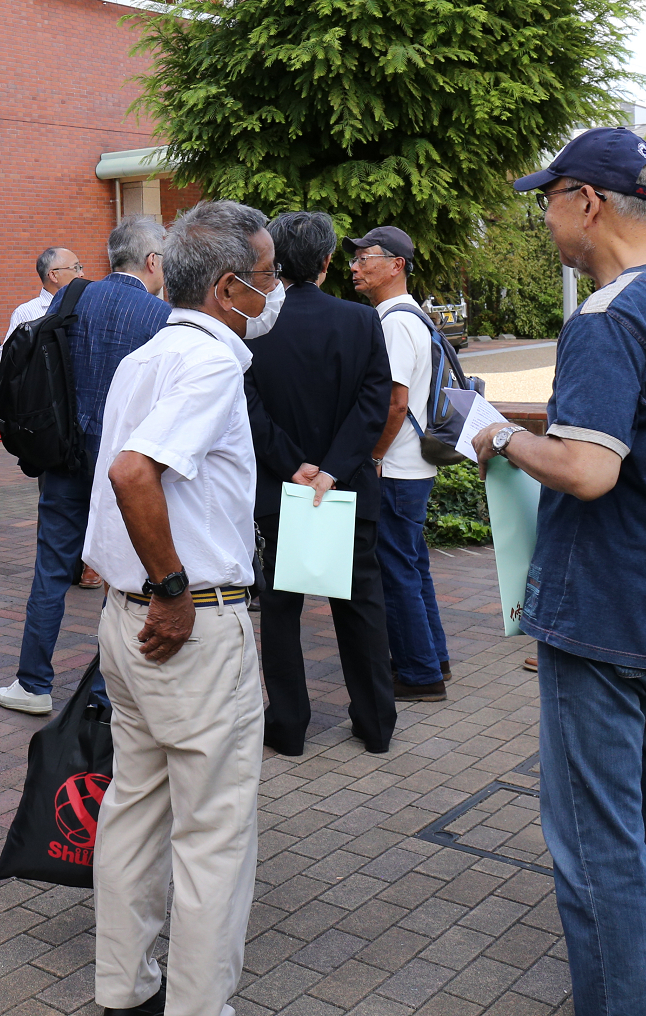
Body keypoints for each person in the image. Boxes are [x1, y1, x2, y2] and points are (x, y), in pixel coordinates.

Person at [475, 127, 646, 1016]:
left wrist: (502, 436)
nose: (546, 220)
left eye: (549, 201)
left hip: (607, 619)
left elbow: (587, 469)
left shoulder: (609, 316)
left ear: (587, 203)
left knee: (600, 845)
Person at [83, 201, 271, 1016]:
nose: (273, 291)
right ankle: (198, 1005)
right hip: (187, 624)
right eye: (266, 277)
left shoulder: (146, 357)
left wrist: (143, 587)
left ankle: (125, 988)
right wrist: (172, 590)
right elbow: (133, 473)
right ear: (228, 287)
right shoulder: (209, 363)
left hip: (130, 622)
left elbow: (117, 482)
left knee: (134, 808)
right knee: (213, 834)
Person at [0, 216, 170, 715]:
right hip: (127, 464)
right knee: (125, 575)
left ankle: (33, 683)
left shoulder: (72, 297)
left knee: (52, 568)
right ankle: (105, 693)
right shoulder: (161, 316)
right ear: (151, 260)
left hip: (65, 453)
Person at [244, 211, 397, 755]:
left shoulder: (255, 327)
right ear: (328, 262)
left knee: (281, 610)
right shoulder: (361, 321)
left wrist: (294, 466)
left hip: (281, 489)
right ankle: (375, 723)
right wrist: (332, 468)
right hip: (347, 487)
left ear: (275, 262)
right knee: (361, 606)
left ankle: (288, 726)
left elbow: (249, 407)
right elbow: (374, 402)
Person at [348, 225, 451, 701]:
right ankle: (433, 659)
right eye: (355, 259)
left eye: (365, 258)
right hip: (414, 465)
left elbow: (395, 402)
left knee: (397, 571)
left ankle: (418, 674)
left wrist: (373, 455)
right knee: (412, 566)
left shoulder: (393, 322)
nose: (355, 267)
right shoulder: (415, 316)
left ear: (396, 265)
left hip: (396, 468)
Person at [9, 247, 84, 330]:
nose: (81, 274)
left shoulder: (85, 306)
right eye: (75, 268)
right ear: (54, 275)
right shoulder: (25, 313)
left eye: (80, 268)